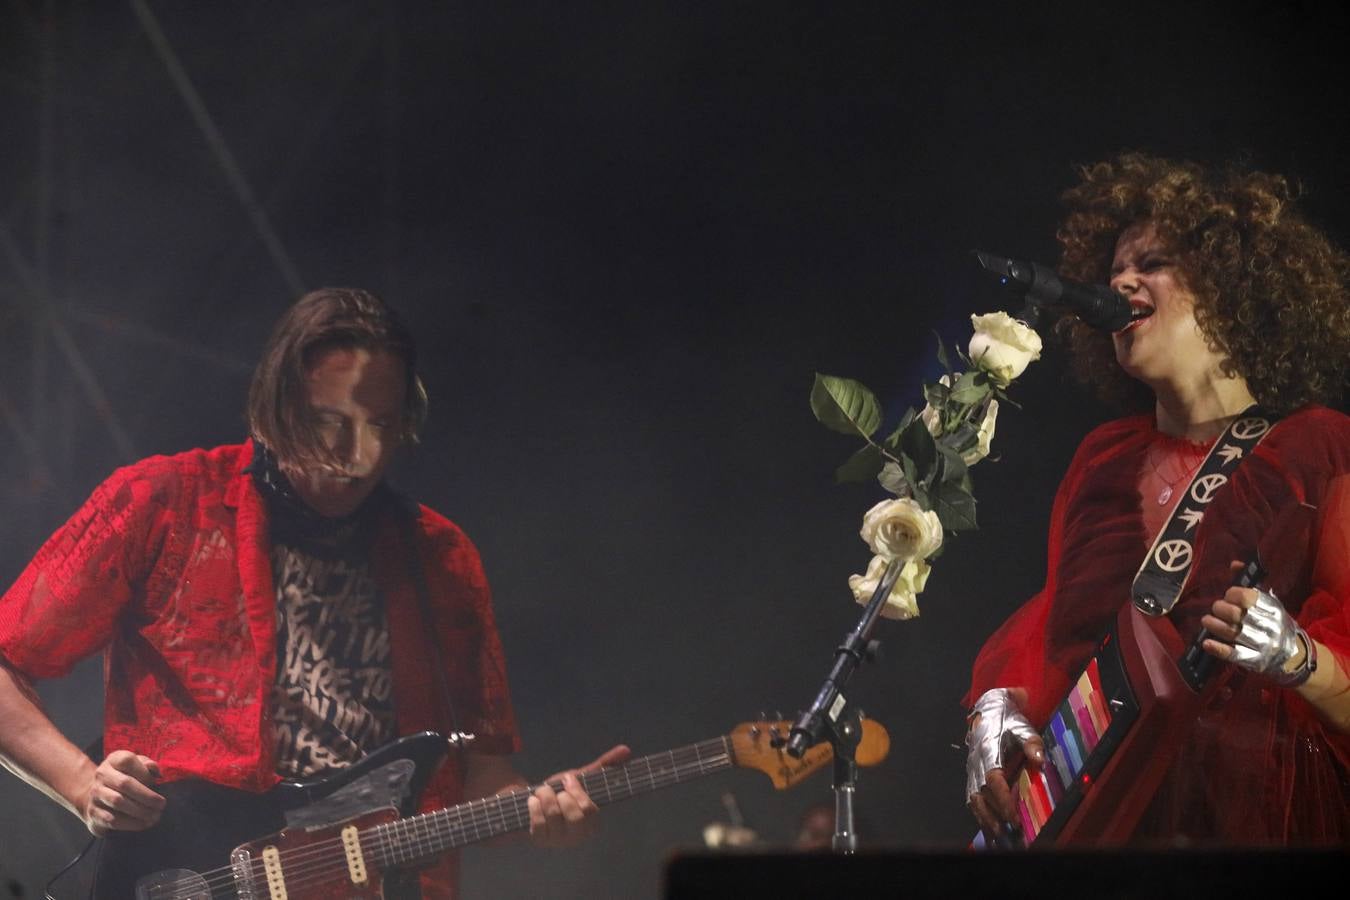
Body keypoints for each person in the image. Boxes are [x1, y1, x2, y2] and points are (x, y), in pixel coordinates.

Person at [0, 288, 629, 898]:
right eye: (328, 422)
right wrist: (83, 784)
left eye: (379, 425)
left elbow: (483, 774)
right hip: (190, 883)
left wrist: (546, 810)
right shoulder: (164, 504)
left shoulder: (442, 558)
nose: (354, 455)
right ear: (274, 409)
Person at [963, 153, 1350, 847]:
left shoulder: (1318, 448)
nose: (1118, 281)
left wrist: (1299, 658)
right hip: (1109, 819)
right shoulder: (1101, 462)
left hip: (1250, 819)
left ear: (1230, 284)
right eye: (1113, 269)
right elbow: (1056, 639)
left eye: (1154, 261)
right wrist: (999, 707)